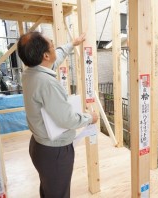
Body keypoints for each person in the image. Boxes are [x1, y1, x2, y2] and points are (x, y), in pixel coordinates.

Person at [17, 31, 98, 198]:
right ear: (46, 55)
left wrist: (72, 44)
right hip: (55, 153)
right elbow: (68, 119)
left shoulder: (29, 73)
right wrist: (90, 118)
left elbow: (56, 58)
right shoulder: (47, 83)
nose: (55, 48)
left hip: (39, 147)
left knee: (49, 189)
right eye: (52, 45)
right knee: (58, 193)